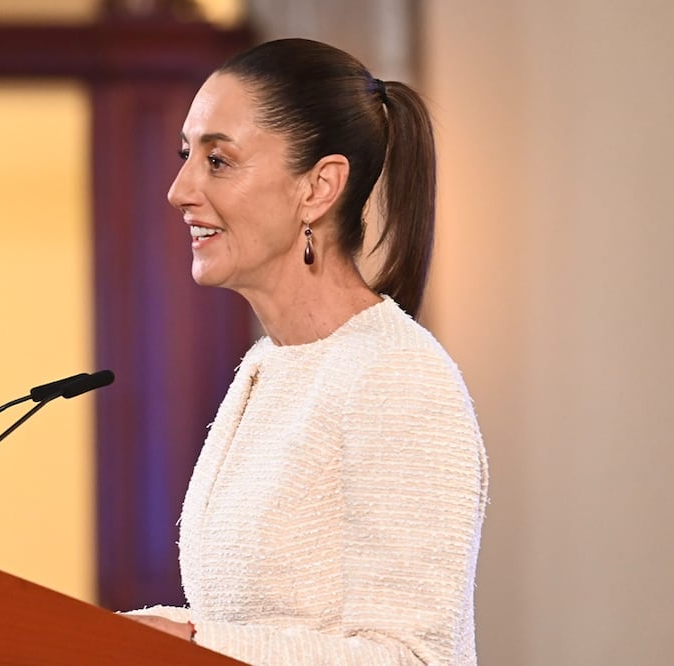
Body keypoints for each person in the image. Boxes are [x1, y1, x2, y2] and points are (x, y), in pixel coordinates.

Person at [123, 38, 488, 665]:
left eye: (218, 160)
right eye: (187, 155)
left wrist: (189, 642)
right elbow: (250, 622)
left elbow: (411, 658)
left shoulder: (399, 378)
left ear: (318, 188)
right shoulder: (269, 366)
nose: (179, 190)